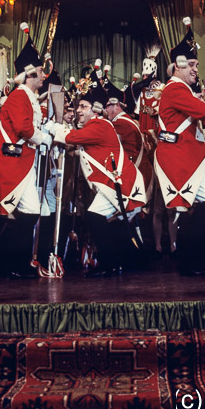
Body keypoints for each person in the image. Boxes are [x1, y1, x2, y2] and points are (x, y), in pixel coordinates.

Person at [153, 17, 205, 276]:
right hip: (178, 158)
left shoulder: (181, 89)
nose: (197, 69)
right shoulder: (175, 89)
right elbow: (202, 112)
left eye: (197, 64)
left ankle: (193, 259)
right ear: (179, 65)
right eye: (193, 65)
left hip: (186, 156)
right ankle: (192, 260)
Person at [49, 81, 146, 276]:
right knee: (115, 224)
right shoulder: (97, 125)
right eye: (78, 107)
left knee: (95, 217)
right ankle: (129, 261)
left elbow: (72, 138)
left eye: (83, 107)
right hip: (114, 184)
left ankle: (109, 263)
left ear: (95, 111)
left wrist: (53, 128)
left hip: (119, 184)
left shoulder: (99, 125)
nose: (78, 111)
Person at [0, 23, 53, 277]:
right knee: (28, 211)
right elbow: (25, 128)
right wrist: (45, 138)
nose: (43, 76)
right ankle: (12, 263)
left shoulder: (27, 96)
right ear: (28, 74)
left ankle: (17, 262)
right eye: (39, 72)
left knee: (30, 212)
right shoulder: (19, 96)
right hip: (15, 162)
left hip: (25, 161)